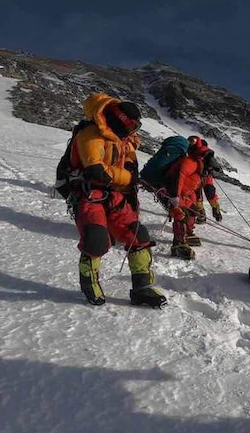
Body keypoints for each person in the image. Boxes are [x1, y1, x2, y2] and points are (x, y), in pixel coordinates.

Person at [67, 93, 166, 308]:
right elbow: (97, 171)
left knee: (138, 235)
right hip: (90, 196)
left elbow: (127, 163)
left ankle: (142, 288)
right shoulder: (90, 135)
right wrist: (130, 178)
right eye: (131, 126)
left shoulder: (123, 141)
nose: (132, 131)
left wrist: (130, 174)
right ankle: (89, 283)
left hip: (116, 197)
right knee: (96, 238)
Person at [164, 136, 213, 259]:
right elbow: (178, 178)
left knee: (192, 211)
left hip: (186, 193)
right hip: (175, 191)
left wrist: (195, 202)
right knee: (181, 214)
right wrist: (175, 196)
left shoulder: (199, 163)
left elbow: (197, 184)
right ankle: (179, 244)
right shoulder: (188, 162)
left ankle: (188, 233)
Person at [189, 136, 223, 224]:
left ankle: (201, 215)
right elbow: (214, 163)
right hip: (207, 177)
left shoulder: (194, 151)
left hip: (196, 177)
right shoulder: (207, 152)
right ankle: (216, 210)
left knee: (197, 196)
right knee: (210, 194)